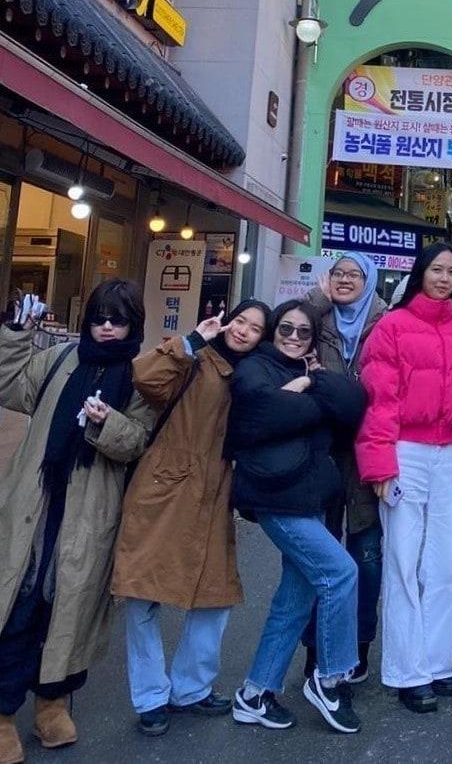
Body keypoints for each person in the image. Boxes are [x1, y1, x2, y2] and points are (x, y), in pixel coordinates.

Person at [0, 281, 152, 761]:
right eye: (100, 318)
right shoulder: (61, 359)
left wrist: (107, 422)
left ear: (133, 325)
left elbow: (138, 442)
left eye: (118, 319)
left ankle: (52, 703)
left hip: (90, 513)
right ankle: (3, 712)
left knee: (67, 606)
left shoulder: (140, 376)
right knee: (19, 599)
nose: (107, 327)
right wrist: (15, 337)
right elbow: (12, 387)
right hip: (36, 498)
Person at [356, 243, 452, 714]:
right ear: (420, 274)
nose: (442, 278)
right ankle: (406, 670)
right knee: (403, 560)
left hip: (451, 453)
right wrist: (379, 464)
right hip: (406, 450)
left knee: (446, 563)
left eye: (449, 272)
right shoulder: (392, 327)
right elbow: (378, 399)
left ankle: (438, 660)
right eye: (434, 270)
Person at [114, 301, 270, 737]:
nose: (243, 331)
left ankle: (191, 688)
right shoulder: (196, 357)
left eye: (255, 328)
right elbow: (145, 376)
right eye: (240, 321)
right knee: (143, 594)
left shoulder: (257, 373)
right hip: (165, 488)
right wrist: (193, 338)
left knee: (214, 596)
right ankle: (149, 696)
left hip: (216, 493)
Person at [228, 300, 367, 735]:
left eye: (303, 332)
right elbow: (267, 411)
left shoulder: (304, 374)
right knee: (341, 573)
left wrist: (310, 379)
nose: (292, 336)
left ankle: (254, 693)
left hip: (306, 499)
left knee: (293, 600)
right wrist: (314, 395)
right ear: (272, 332)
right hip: (275, 499)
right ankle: (330, 677)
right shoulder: (254, 368)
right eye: (284, 328)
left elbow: (353, 403)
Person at [301, 253, 388, 683]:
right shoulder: (316, 321)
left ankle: (358, 645)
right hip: (321, 453)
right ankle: (316, 648)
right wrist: (318, 298)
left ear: (370, 280)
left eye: (355, 274)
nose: (346, 281)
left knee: (366, 557)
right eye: (339, 273)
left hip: (367, 458)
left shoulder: (385, 323)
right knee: (320, 557)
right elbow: (286, 322)